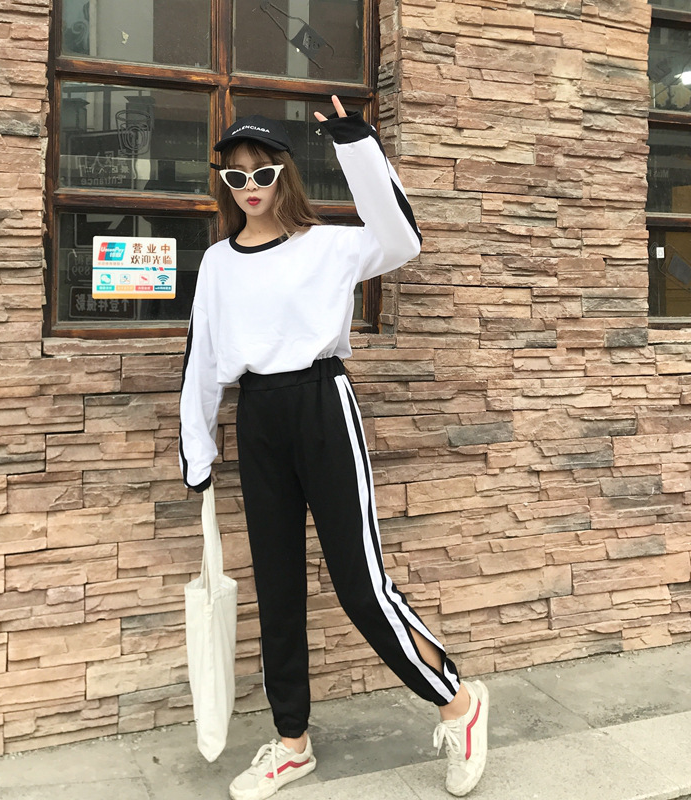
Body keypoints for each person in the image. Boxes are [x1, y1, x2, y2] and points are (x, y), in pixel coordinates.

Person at [179, 96, 489, 800]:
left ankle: (457, 702)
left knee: (359, 582)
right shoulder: (219, 263)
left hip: (322, 401)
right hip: (258, 414)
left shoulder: (327, 244)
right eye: (235, 176)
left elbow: (402, 238)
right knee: (277, 586)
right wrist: (197, 449)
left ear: (284, 175)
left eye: (263, 173)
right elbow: (201, 361)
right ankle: (291, 743)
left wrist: (357, 146)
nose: (250, 188)